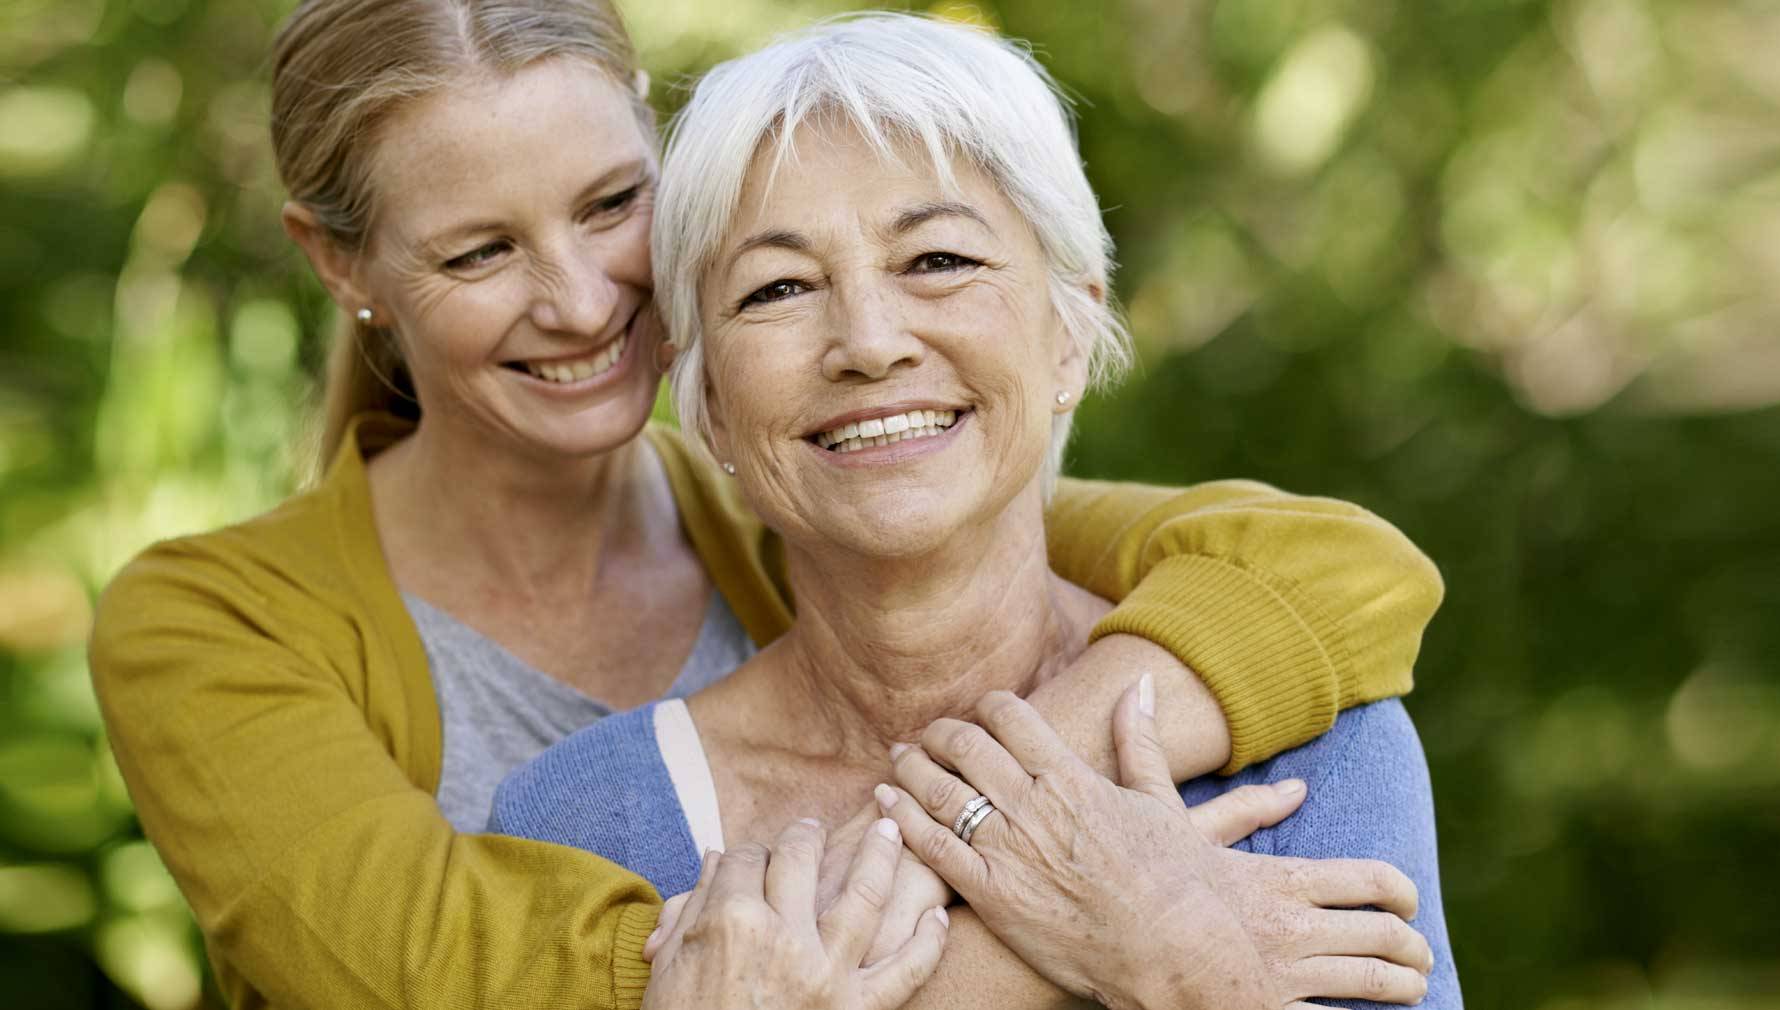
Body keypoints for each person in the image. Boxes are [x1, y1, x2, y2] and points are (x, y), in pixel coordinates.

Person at [86, 1, 1444, 1008]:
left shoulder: (832, 500)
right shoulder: (215, 628)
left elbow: (1322, 571)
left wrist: (1023, 796)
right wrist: (1144, 947)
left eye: (613, 204)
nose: (579, 298)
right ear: (342, 264)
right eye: (481, 249)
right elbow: (434, 976)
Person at [490, 14, 1457, 1008]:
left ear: (1070, 336)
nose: (868, 340)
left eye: (938, 260)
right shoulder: (577, 819)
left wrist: (1200, 973)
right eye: (779, 287)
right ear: (708, 404)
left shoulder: (1314, 750)